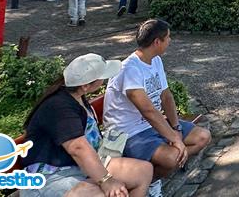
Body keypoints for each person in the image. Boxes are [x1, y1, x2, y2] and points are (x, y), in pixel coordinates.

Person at [21, 53, 152, 197]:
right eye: (102, 76)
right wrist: (106, 181)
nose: (105, 78)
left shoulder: (76, 96)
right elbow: (77, 148)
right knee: (107, 194)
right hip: (50, 177)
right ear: (85, 85)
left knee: (144, 171)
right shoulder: (59, 106)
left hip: (77, 167)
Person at [104, 20, 211, 195]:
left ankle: (152, 177)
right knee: (171, 158)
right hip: (128, 133)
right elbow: (148, 111)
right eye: (168, 37)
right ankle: (152, 180)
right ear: (157, 42)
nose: (170, 41)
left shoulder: (156, 61)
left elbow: (166, 96)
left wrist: (175, 128)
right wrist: (175, 140)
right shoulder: (129, 69)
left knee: (202, 137)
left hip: (151, 126)